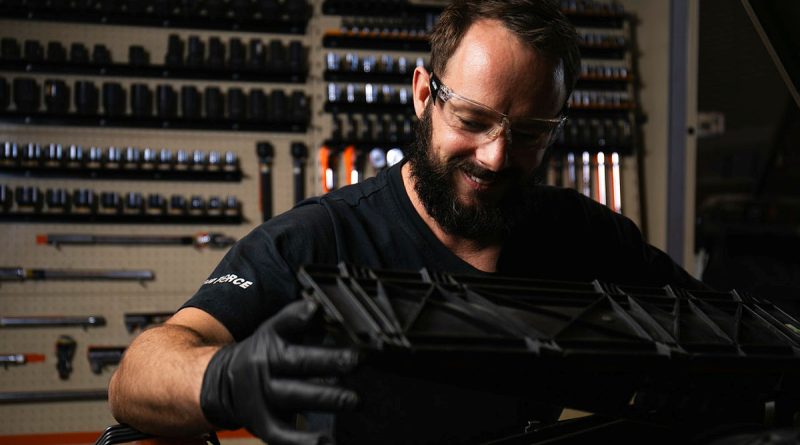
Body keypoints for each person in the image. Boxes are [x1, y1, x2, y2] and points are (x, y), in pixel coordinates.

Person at [108, 1, 705, 444]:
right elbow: (136, 376)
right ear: (424, 95)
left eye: (528, 134)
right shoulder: (321, 237)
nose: (495, 156)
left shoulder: (582, 234)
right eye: (472, 120)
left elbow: (716, 329)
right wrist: (223, 377)